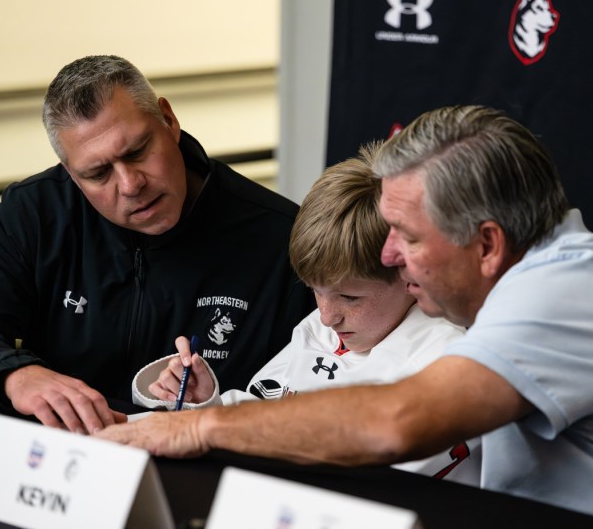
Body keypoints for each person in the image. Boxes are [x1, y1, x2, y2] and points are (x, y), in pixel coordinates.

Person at [96, 105, 593, 527]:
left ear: (486, 244)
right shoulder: (541, 274)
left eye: (407, 236)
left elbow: (395, 424)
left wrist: (197, 429)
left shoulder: (571, 290)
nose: (391, 256)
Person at [0, 55, 314, 435]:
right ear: (72, 176)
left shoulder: (283, 237)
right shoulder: (37, 212)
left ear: (169, 120)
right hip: (61, 468)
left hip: (210, 475)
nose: (130, 185)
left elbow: (322, 396)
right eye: (97, 173)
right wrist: (13, 375)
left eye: (138, 151)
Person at [130, 143, 477, 484]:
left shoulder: (447, 361)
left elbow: (348, 474)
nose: (326, 316)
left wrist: (216, 428)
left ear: (410, 273)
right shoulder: (330, 325)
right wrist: (206, 403)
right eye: (314, 290)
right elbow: (265, 404)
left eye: (350, 297)